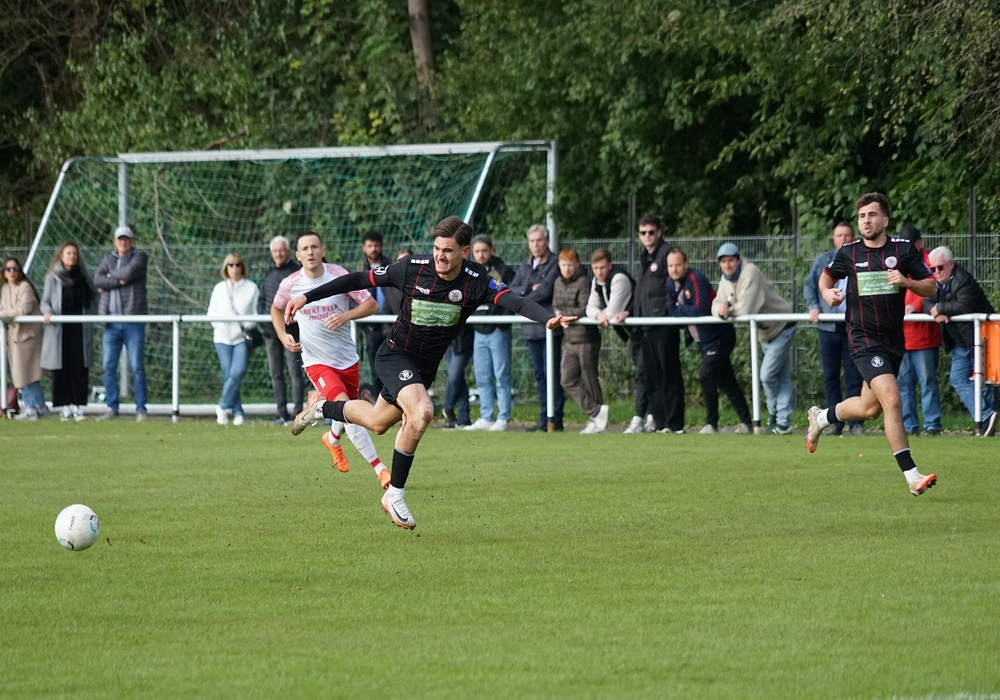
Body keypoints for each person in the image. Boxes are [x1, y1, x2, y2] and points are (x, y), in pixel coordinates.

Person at [284, 216, 573, 530]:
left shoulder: (477, 280)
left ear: (464, 251)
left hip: (423, 370)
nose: (440, 256)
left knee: (377, 423)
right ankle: (394, 495)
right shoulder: (412, 268)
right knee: (422, 411)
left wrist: (546, 317)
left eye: (448, 250)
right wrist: (307, 297)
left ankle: (321, 408)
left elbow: (514, 300)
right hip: (394, 356)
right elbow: (357, 280)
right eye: (436, 248)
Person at [805, 192, 939, 497]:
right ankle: (912, 475)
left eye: (872, 215)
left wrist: (907, 282)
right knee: (892, 398)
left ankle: (821, 417)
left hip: (893, 340)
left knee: (869, 409)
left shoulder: (902, 250)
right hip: (862, 337)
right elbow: (824, 280)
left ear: (885, 220)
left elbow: (931, 287)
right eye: (862, 216)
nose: (866, 221)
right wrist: (826, 294)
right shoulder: (848, 252)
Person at [271, 233, 388, 486]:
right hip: (316, 361)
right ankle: (381, 470)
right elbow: (276, 308)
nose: (310, 252)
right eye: (305, 248)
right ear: (298, 255)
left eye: (315, 247)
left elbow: (372, 306)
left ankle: (332, 439)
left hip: (346, 359)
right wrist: (282, 335)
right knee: (348, 409)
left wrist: (345, 316)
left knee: (345, 411)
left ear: (323, 251)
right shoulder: (291, 283)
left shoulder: (339, 276)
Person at [712, 242, 796, 434]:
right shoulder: (725, 280)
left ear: (738, 260)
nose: (727, 265)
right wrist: (720, 309)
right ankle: (780, 421)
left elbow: (745, 309)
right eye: (723, 262)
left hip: (782, 325)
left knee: (767, 375)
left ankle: (778, 418)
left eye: (731, 260)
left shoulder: (750, 271)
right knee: (779, 376)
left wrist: (726, 311)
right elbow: (716, 303)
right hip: (765, 333)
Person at [667, 247, 752, 434]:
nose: (674, 269)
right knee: (726, 381)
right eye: (670, 266)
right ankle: (747, 423)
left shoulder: (696, 279)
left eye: (678, 265)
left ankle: (711, 424)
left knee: (706, 375)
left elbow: (699, 310)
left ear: (686, 264)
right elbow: (672, 312)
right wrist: (682, 310)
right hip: (704, 341)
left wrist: (681, 308)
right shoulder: (669, 284)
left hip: (720, 337)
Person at [926, 245, 997, 436]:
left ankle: (986, 423)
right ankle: (986, 417)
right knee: (957, 378)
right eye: (933, 269)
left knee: (985, 382)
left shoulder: (963, 279)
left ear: (951, 264)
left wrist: (940, 308)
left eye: (940, 267)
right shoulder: (934, 284)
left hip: (981, 339)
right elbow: (925, 300)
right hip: (961, 341)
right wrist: (934, 310)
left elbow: (964, 305)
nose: (936, 272)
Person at [804, 222, 865, 437]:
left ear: (853, 238)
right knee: (830, 376)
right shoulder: (823, 261)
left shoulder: (861, 259)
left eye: (847, 235)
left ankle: (856, 424)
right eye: (840, 235)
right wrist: (813, 306)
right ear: (833, 239)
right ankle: (833, 423)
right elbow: (809, 285)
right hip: (828, 327)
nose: (844, 239)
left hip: (853, 325)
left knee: (854, 376)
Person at [585, 248, 649, 434]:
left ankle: (641, 418)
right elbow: (590, 308)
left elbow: (612, 312)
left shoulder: (619, 278)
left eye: (602, 268)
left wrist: (601, 315)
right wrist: (599, 315)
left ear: (610, 265)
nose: (599, 272)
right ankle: (649, 417)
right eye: (595, 268)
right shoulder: (596, 282)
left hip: (645, 331)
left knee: (643, 374)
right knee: (644, 373)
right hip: (634, 334)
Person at [509, 224, 564, 431]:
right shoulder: (525, 265)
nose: (536, 244)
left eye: (539, 240)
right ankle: (543, 419)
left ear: (547, 241)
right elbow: (511, 290)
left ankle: (555, 419)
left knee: (552, 374)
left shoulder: (555, 263)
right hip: (530, 328)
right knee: (540, 375)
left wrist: (522, 295)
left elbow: (546, 291)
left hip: (549, 328)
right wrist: (528, 289)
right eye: (532, 241)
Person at [633, 215, 684, 434]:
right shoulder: (645, 256)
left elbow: (675, 284)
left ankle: (674, 424)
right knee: (652, 376)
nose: (647, 236)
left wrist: (669, 311)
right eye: (643, 232)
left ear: (659, 233)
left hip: (663, 323)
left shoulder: (666, 254)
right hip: (646, 324)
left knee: (669, 375)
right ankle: (660, 423)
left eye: (651, 232)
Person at [94, 225, 148, 421]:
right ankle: (112, 407)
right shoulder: (108, 259)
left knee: (137, 367)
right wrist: (117, 280)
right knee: (108, 367)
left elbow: (129, 273)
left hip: (134, 321)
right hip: (111, 323)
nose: (123, 242)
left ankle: (141, 408)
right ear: (115, 241)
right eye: (120, 239)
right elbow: (98, 279)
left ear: (132, 241)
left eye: (126, 239)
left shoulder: (139, 257)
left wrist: (110, 278)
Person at [40, 241, 97, 421]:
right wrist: (47, 312)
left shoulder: (84, 276)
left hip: (80, 328)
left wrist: (92, 315)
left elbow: (94, 297)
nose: (72, 256)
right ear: (61, 256)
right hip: (59, 329)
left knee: (79, 366)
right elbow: (44, 302)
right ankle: (64, 405)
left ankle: (77, 405)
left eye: (74, 253)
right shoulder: (53, 277)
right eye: (68, 253)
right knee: (61, 366)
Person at [553, 248, 607, 434]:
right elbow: (555, 305)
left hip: (586, 338)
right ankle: (596, 412)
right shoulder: (557, 282)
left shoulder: (584, 282)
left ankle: (598, 421)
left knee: (590, 379)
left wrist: (564, 315)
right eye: (563, 265)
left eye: (570, 265)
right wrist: (560, 314)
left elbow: (583, 308)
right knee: (566, 380)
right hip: (569, 339)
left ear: (576, 265)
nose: (567, 269)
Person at [896, 226, 942, 436]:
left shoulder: (931, 262)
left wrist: (914, 306)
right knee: (904, 383)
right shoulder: (897, 261)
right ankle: (909, 426)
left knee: (927, 382)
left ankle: (932, 425)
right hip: (902, 335)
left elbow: (933, 289)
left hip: (923, 336)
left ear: (919, 243)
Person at [465, 235, 514, 432]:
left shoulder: (503, 271)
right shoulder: (469, 272)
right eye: (477, 251)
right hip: (478, 331)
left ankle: (503, 417)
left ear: (492, 250)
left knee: (501, 376)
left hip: (497, 330)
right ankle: (486, 416)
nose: (481, 255)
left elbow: (511, 299)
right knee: (482, 376)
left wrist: (501, 324)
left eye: (484, 250)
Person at [207, 253, 260, 426]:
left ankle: (222, 406)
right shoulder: (219, 288)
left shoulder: (251, 287)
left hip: (241, 338)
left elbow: (256, 314)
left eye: (238, 265)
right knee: (228, 374)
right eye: (231, 265)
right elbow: (212, 313)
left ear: (242, 267)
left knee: (237, 372)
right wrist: (222, 327)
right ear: (226, 267)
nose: (235, 268)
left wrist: (244, 327)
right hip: (221, 337)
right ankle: (237, 412)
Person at [258, 235, 304, 425]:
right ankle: (281, 414)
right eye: (275, 250)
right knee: (275, 373)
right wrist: (265, 322)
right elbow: (262, 301)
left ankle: (298, 413)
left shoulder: (297, 273)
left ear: (288, 251)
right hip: (271, 333)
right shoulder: (268, 274)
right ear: (271, 252)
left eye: (281, 250)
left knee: (295, 372)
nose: (278, 253)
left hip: (292, 331)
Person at [1, 257, 46, 419]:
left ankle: (35, 408)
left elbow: (23, 309)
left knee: (27, 375)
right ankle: (35, 407)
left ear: (20, 271)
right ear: (4, 273)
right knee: (21, 375)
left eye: (15, 268)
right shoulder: (5, 289)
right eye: (8, 269)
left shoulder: (25, 287)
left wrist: (2, 314)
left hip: (28, 338)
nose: (12, 272)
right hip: (13, 339)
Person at [357, 230, 392, 396]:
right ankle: (379, 401)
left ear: (381, 246)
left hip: (391, 322)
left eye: (376, 245)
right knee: (375, 365)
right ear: (364, 248)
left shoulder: (391, 267)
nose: (373, 249)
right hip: (371, 325)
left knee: (393, 362)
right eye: (370, 246)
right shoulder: (360, 270)